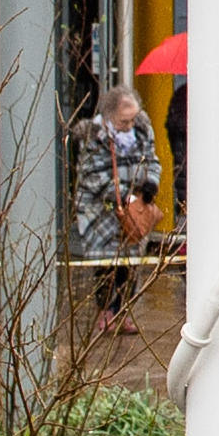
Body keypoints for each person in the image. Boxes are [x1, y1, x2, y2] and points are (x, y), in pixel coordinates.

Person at [74, 83, 161, 332]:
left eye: (133, 120)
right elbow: (94, 176)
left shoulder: (142, 132)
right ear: (110, 116)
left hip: (133, 210)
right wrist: (123, 196)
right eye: (124, 121)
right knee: (106, 264)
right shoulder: (94, 138)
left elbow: (152, 161)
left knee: (129, 264)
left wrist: (149, 185)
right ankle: (106, 311)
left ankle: (121, 311)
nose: (129, 126)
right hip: (100, 212)